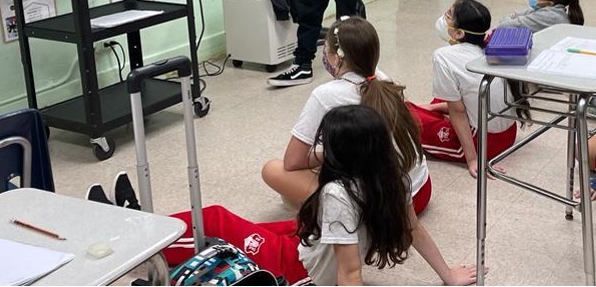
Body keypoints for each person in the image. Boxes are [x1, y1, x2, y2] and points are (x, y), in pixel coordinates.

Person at [166, 106, 478, 286]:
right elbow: (414, 230)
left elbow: (350, 271)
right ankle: (143, 223)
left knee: (214, 220)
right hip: (308, 241)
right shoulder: (391, 175)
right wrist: (447, 274)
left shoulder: (337, 195)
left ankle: (144, 236)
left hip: (297, 270)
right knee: (262, 226)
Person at [263, 16, 433, 216]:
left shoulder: (325, 94)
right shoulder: (382, 80)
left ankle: (330, 216)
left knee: (273, 170)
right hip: (421, 190)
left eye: (325, 51)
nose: (324, 56)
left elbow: (292, 161)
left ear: (336, 57)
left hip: (387, 209)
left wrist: (335, 155)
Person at [407, 0, 531, 178]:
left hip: (483, 142)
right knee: (442, 97)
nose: (443, 17)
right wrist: (434, 107)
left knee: (400, 114)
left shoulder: (444, 56)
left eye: (448, 15)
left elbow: (457, 111)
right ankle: (433, 111)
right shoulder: (491, 44)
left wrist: (473, 159)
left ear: (459, 33)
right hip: (507, 133)